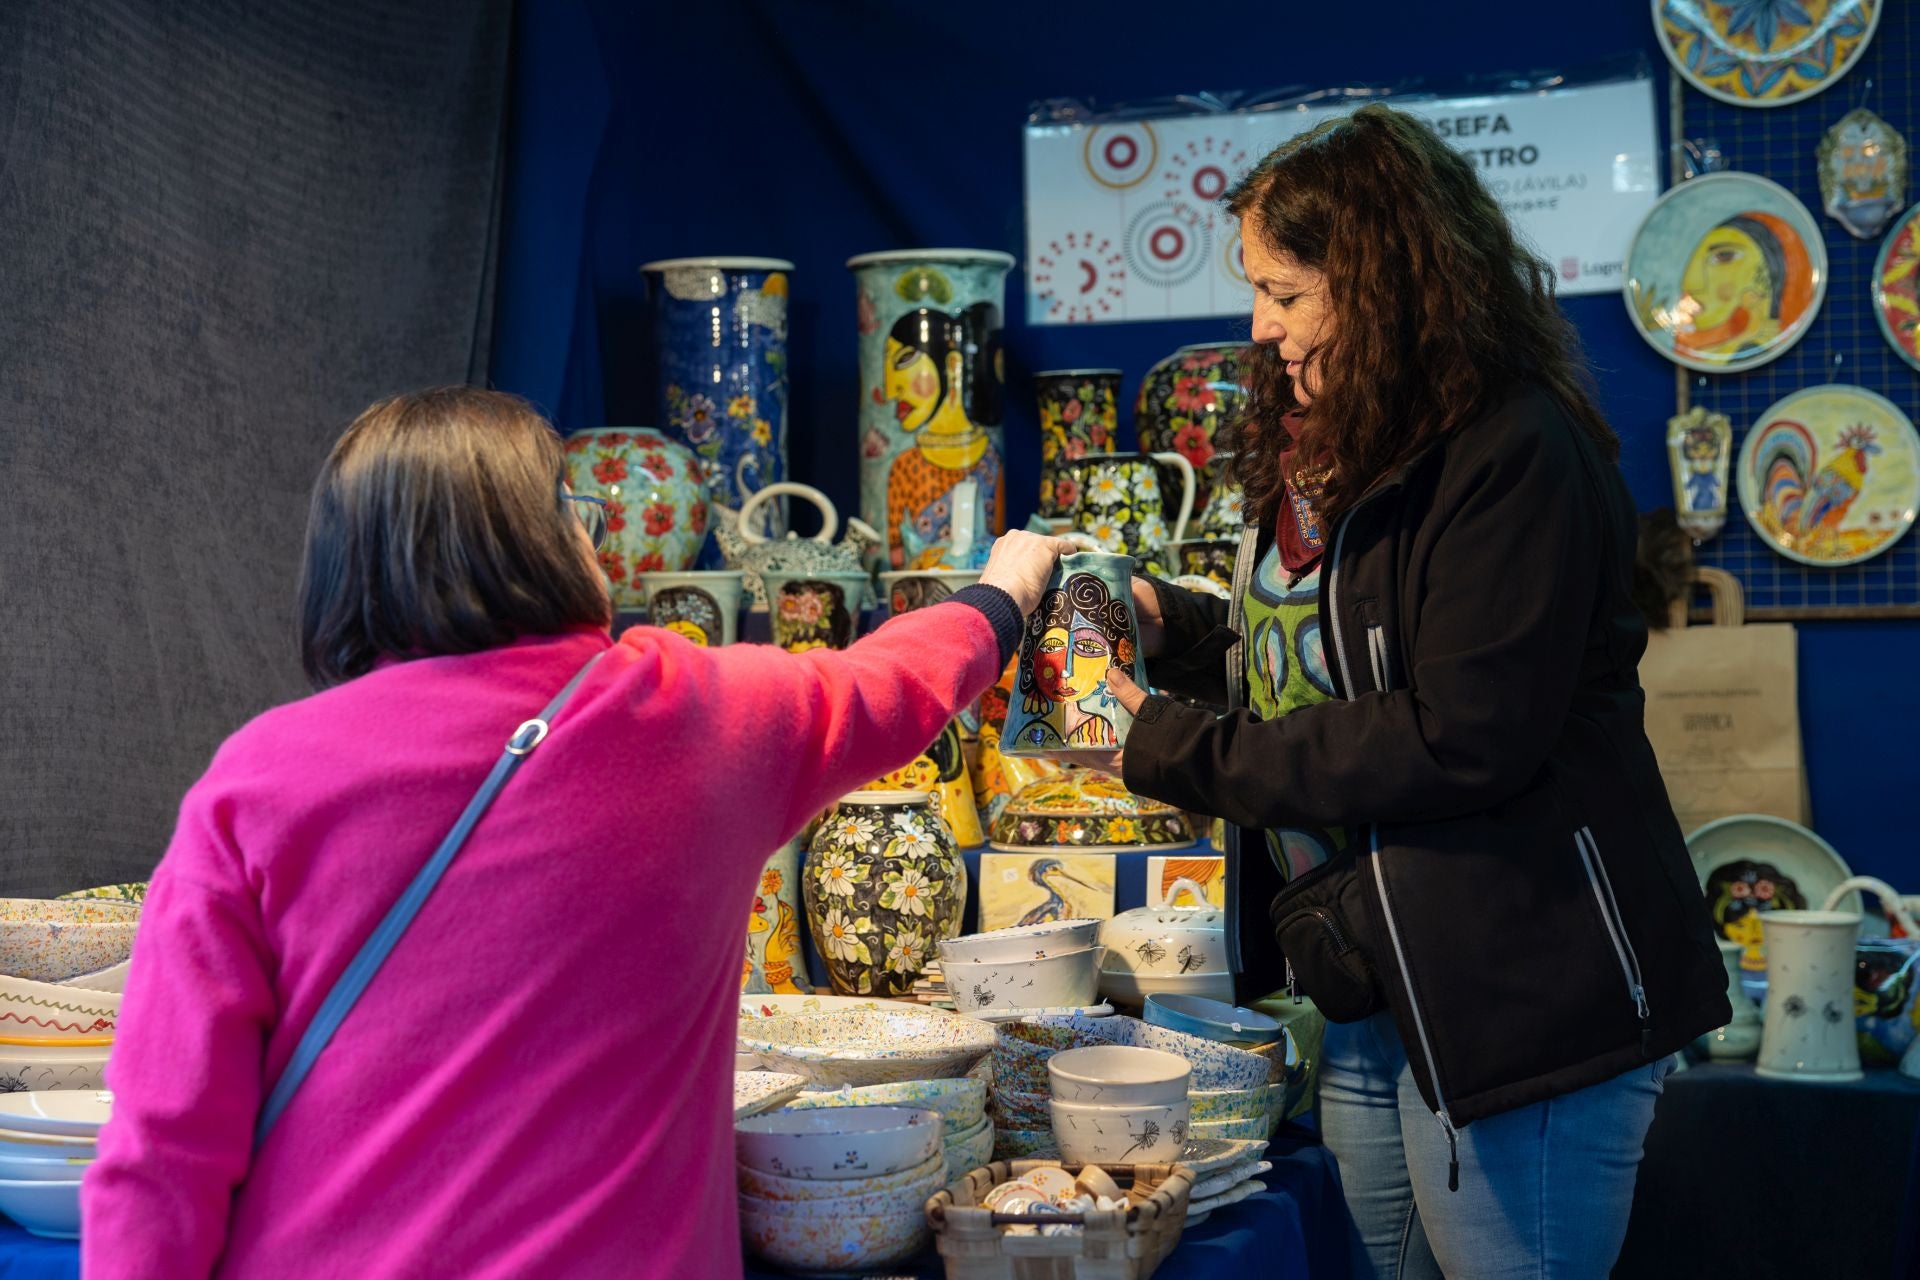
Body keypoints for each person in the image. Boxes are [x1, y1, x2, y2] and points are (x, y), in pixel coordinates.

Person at [80, 386, 1072, 1279]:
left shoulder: (257, 779)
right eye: (579, 512)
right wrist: (1000, 594)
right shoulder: (691, 713)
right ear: (554, 535)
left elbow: (163, 1147)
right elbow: (891, 684)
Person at [1096, 105, 1731, 1278]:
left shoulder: (1513, 452)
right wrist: (1173, 627)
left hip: (1515, 991)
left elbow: (1455, 730)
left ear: (1383, 283)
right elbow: (1332, 652)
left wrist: (1179, 746)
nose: (1260, 324)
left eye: (1286, 292)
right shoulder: (1344, 442)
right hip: (1376, 974)